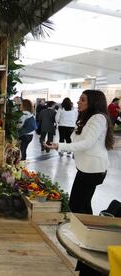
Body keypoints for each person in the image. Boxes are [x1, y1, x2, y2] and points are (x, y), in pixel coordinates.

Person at [45, 90, 114, 276]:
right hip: (87, 168)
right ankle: (87, 240)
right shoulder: (88, 118)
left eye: (83, 99)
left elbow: (86, 143)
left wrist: (60, 145)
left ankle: (85, 241)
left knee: (77, 204)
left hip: (93, 169)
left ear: (93, 102)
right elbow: (78, 139)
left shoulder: (98, 118)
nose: (79, 101)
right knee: (82, 204)